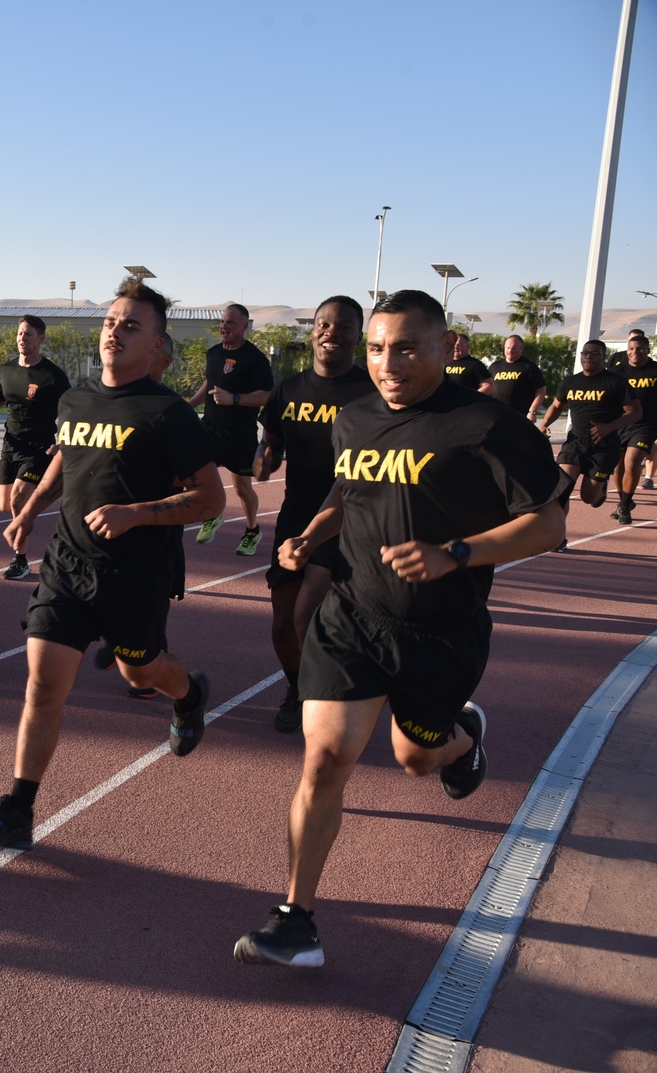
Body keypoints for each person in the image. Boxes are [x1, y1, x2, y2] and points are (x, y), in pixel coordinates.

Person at [233, 289, 568, 969]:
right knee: (324, 758)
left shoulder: (485, 425)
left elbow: (551, 523)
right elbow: (347, 488)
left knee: (417, 757)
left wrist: (458, 554)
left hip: (442, 632)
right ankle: (297, 918)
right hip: (353, 617)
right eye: (379, 348)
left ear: (446, 348)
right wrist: (309, 535)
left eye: (407, 347)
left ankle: (462, 738)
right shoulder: (354, 418)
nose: (389, 362)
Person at [0, 278, 225, 848]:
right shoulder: (75, 399)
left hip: (134, 576)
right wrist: (30, 511)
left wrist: (137, 512)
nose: (115, 331)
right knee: (42, 684)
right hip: (67, 565)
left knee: (142, 672)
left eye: (132, 325)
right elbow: (65, 459)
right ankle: (18, 809)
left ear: (158, 346)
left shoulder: (170, 414)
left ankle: (189, 695)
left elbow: (210, 501)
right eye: (111, 321)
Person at [254, 296, 375, 733]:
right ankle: (298, 687)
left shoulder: (369, 393)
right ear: (312, 331)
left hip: (346, 515)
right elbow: (272, 445)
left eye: (344, 327)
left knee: (307, 612)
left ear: (358, 336)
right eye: (324, 324)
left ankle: (328, 694)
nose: (332, 333)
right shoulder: (288, 388)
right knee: (284, 622)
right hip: (296, 512)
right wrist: (264, 457)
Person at [94, 330, 186, 700]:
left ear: (163, 357)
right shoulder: (115, 400)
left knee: (153, 592)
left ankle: (148, 660)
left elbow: (194, 481)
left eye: (160, 346)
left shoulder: (171, 409)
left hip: (156, 523)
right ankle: (120, 640)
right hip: (109, 520)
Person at [0, 315, 70, 580]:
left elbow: (72, 412)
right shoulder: (6, 371)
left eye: (28, 334)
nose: (22, 339)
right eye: (19, 334)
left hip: (39, 449)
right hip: (10, 446)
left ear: (41, 339)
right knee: (5, 505)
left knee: (17, 498)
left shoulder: (53, 376)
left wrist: (62, 441)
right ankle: (47, 495)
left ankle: (20, 560)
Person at [188, 303, 273, 555]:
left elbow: (267, 396)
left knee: (242, 488)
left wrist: (235, 399)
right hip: (211, 428)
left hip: (240, 433)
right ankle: (214, 513)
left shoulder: (255, 359)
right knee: (195, 475)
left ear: (244, 326)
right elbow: (209, 384)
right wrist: (187, 406)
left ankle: (252, 530)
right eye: (223, 322)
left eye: (231, 323)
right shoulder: (213, 353)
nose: (224, 327)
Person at [538, 339, 639, 543]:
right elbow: (557, 406)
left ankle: (600, 490)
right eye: (585, 353)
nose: (588, 357)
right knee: (562, 490)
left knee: (588, 498)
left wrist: (609, 427)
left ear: (603, 356)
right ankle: (559, 537)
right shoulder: (570, 382)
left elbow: (636, 412)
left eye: (594, 353)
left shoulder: (615, 382)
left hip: (604, 448)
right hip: (575, 443)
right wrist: (545, 423)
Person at [610, 335, 657, 524]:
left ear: (648, 349)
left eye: (639, 348)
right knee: (618, 467)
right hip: (619, 424)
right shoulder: (616, 373)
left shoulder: (655, 371)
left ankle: (624, 506)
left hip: (646, 425)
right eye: (631, 349)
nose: (635, 352)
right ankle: (624, 500)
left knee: (632, 462)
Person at [486, 334, 547, 419]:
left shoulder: (529, 367)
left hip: (520, 416)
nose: (510, 351)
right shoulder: (494, 366)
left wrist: (532, 411)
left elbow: (541, 390)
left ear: (521, 349)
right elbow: (487, 387)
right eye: (508, 348)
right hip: (497, 414)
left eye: (514, 348)